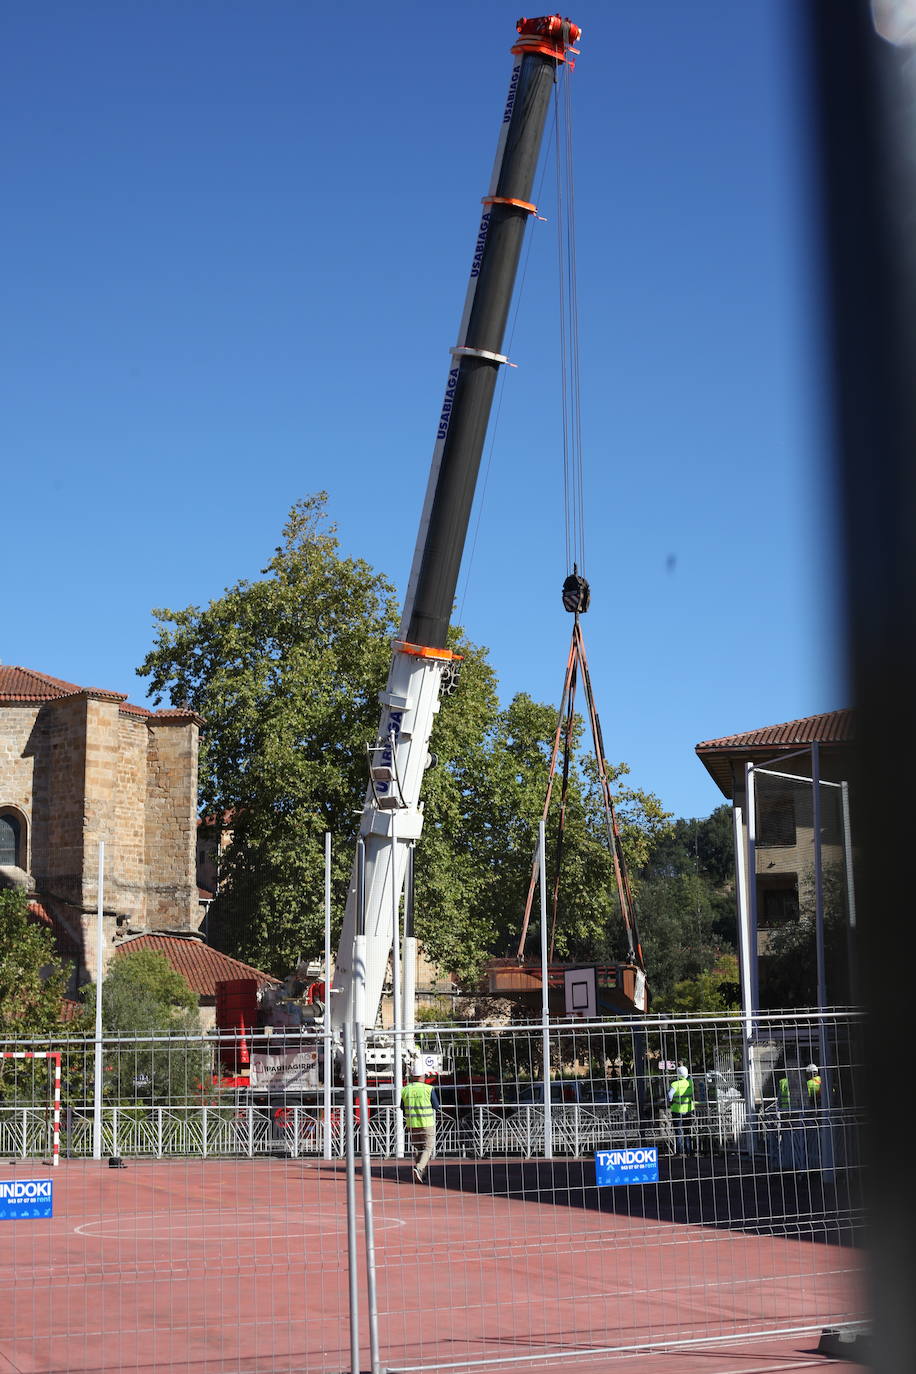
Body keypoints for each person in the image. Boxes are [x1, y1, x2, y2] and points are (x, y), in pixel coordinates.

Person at [400, 1068, 439, 1182]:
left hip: (412, 1124)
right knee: (427, 1148)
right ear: (423, 1076)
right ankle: (419, 1168)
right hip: (426, 1123)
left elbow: (402, 1107)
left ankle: (421, 1175)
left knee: (418, 1148)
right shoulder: (428, 1089)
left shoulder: (405, 1090)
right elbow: (436, 1106)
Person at [667, 1065, 695, 1155]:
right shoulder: (690, 1083)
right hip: (688, 1110)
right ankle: (689, 1151)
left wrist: (671, 1101)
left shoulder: (675, 1084)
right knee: (687, 1131)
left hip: (677, 1110)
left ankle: (679, 1152)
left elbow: (669, 1096)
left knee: (678, 1132)